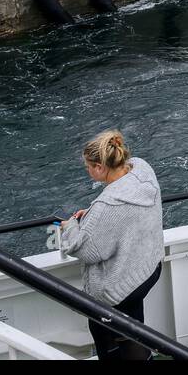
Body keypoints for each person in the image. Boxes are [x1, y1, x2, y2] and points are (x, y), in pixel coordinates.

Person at [62, 130, 164, 360]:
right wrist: (91, 215)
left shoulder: (108, 205)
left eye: (88, 167)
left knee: (104, 332)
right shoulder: (142, 169)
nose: (88, 172)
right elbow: (124, 218)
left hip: (120, 287)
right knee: (134, 326)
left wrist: (70, 226)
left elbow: (86, 249)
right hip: (147, 270)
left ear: (100, 167)